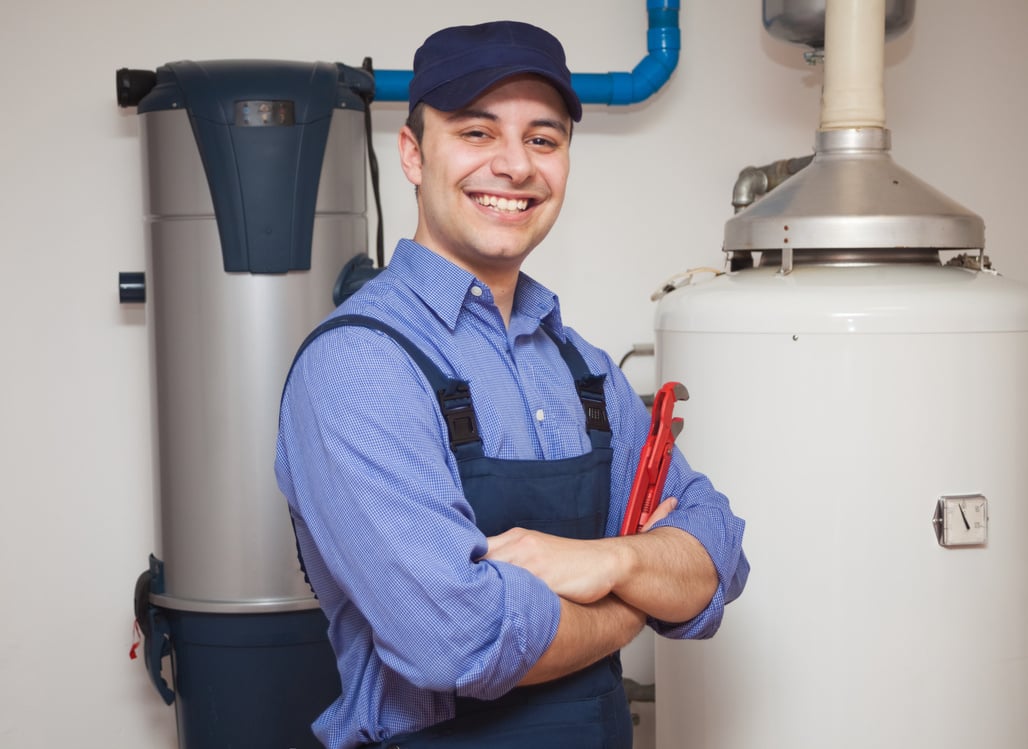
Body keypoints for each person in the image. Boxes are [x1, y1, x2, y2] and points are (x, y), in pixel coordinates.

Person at [276, 19, 748, 749]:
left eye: (543, 139)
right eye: (476, 132)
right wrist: (634, 602)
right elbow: (458, 640)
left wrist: (605, 559)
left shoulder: (584, 368)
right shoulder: (359, 366)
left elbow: (717, 556)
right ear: (412, 152)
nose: (515, 166)